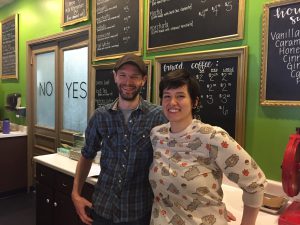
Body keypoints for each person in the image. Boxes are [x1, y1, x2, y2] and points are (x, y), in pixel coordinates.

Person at [149, 69, 267, 225]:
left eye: (180, 96)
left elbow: (255, 183)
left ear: (195, 102)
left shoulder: (213, 137)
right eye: (167, 96)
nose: (172, 103)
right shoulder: (157, 135)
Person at [71, 54, 167, 225]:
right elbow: (87, 155)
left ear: (143, 80)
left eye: (134, 76)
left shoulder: (158, 116)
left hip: (138, 213)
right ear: (115, 76)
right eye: (122, 75)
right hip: (102, 209)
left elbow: (178, 157)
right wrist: (75, 194)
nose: (128, 82)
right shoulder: (101, 116)